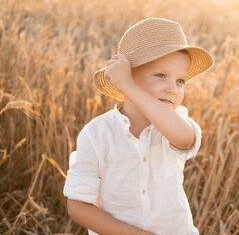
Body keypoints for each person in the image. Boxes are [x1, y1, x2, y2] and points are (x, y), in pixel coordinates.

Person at [63, 18, 214, 235]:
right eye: (161, 75)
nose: (173, 89)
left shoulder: (175, 122)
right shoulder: (97, 133)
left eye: (181, 81)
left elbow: (184, 138)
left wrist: (130, 88)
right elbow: (78, 206)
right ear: (128, 75)